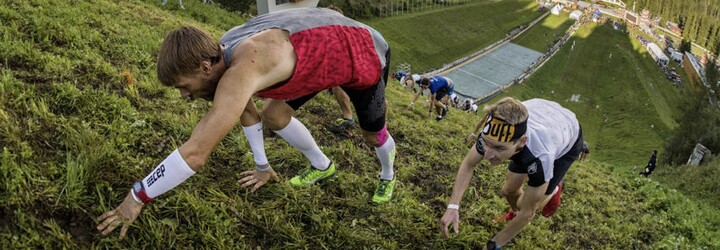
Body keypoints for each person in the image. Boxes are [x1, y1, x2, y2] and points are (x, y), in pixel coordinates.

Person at [96, 7, 397, 239]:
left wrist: (136, 197)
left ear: (204, 67)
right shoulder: (225, 48)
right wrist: (262, 167)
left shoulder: (243, 68)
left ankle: (388, 174)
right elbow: (248, 112)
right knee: (274, 116)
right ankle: (322, 166)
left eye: (183, 86)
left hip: (363, 52)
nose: (183, 95)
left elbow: (196, 153)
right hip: (321, 54)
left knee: (372, 136)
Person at [441, 97, 583, 249]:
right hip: (541, 112)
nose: (488, 155)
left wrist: (493, 246)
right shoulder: (494, 134)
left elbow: (528, 213)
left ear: (521, 142)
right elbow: (469, 164)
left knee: (525, 205)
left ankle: (554, 188)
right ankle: (514, 212)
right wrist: (453, 206)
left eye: (499, 148)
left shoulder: (540, 155)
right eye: (487, 143)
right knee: (508, 190)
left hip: (567, 134)